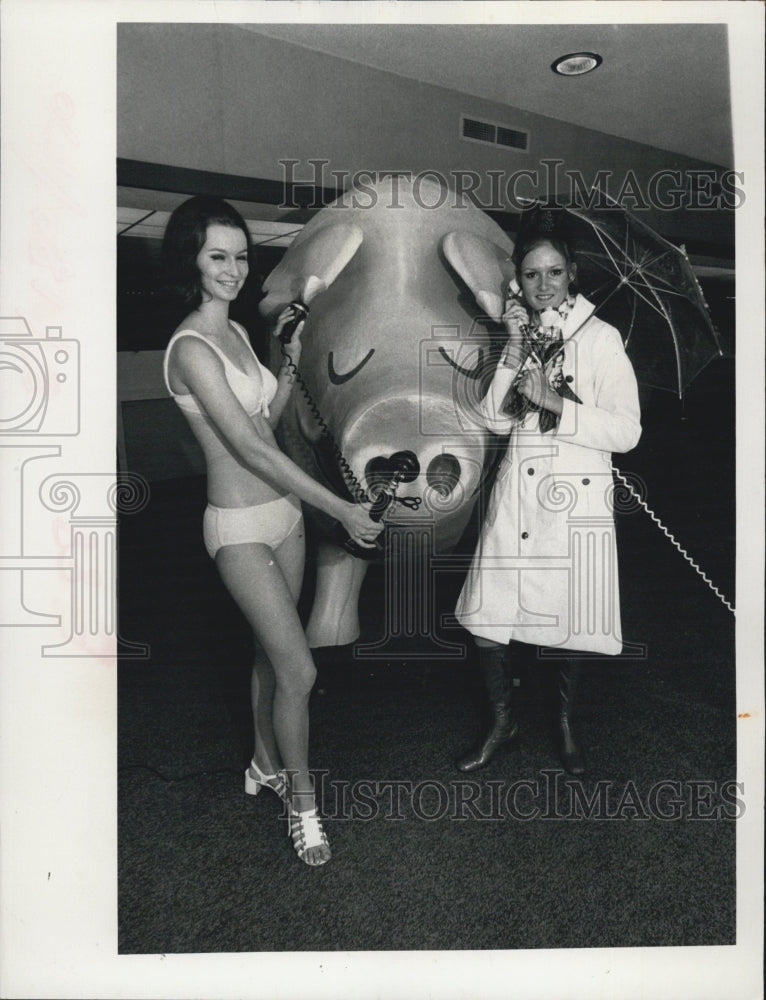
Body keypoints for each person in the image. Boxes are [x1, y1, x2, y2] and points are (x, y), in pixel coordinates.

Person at [161, 195, 382, 866]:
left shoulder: (234, 335)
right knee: (300, 666)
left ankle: (263, 760)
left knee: (269, 654)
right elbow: (253, 452)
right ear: (191, 262)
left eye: (240, 256)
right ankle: (304, 804)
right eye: (217, 256)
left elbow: (269, 418)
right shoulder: (191, 346)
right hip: (239, 528)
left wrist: (285, 360)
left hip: (283, 518)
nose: (232, 269)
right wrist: (342, 510)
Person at [454, 228, 642, 775]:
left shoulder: (601, 338)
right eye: (531, 274)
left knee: (569, 620)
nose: (543, 284)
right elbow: (492, 418)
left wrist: (553, 400)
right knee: (488, 618)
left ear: (572, 274)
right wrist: (512, 350)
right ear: (518, 279)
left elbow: (627, 431)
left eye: (554, 272)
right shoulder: (518, 336)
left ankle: (562, 723)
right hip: (517, 502)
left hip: (573, 502)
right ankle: (502, 723)